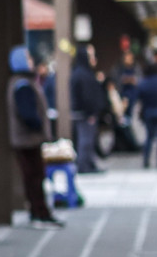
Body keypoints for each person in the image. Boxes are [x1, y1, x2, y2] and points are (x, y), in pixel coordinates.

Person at [7, 46, 65, 230]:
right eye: (28, 58)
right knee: (34, 177)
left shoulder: (22, 82)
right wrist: (39, 127)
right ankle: (40, 213)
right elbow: (28, 113)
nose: (32, 62)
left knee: (34, 177)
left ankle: (39, 212)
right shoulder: (23, 84)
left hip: (26, 139)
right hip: (28, 139)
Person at [70, 44, 106, 173]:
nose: (93, 59)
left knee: (88, 141)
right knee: (85, 141)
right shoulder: (82, 74)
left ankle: (88, 164)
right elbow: (87, 96)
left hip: (84, 113)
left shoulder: (84, 72)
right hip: (84, 114)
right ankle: (84, 166)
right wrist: (90, 112)